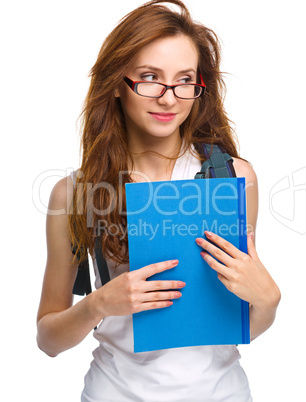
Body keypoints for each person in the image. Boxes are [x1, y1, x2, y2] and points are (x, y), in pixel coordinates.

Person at [36, 1, 281, 400]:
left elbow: (234, 324)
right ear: (118, 82)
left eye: (184, 79)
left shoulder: (232, 178)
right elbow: (48, 340)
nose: (169, 98)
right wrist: (98, 304)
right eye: (150, 77)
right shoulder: (75, 194)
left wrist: (267, 303)